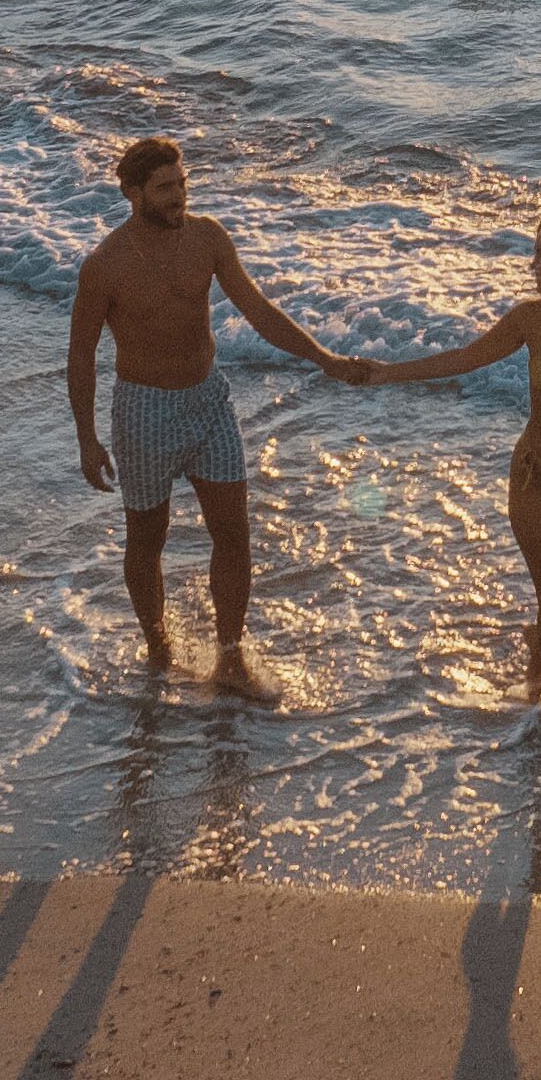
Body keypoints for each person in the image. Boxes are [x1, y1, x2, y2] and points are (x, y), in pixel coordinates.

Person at [67, 135, 350, 697]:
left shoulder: (207, 238)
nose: (179, 197)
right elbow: (80, 357)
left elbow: (258, 309)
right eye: (165, 188)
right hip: (144, 408)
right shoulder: (106, 266)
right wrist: (87, 439)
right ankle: (157, 647)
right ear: (132, 193)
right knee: (148, 539)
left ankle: (228, 656)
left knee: (234, 531)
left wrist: (323, 356)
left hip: (208, 400)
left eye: (183, 184)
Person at [359, 212, 541, 729]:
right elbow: (466, 358)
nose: (532, 264)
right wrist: (388, 373)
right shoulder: (528, 319)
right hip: (539, 478)